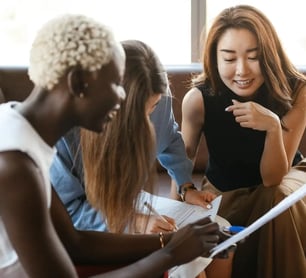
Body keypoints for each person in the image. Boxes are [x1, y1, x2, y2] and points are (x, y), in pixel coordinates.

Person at [0, 14, 227, 278]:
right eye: (114, 84)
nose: (121, 97)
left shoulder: (22, 132)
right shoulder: (15, 166)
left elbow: (75, 243)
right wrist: (170, 254)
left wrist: (173, 242)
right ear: (78, 84)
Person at [180, 4, 306, 278]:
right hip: (226, 189)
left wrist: (273, 127)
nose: (241, 70)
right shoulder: (198, 99)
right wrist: (176, 211)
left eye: (253, 57)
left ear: (269, 55)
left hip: (286, 182)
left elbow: (273, 178)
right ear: (214, 59)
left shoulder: (298, 90)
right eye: (229, 58)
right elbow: (179, 162)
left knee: (275, 199)